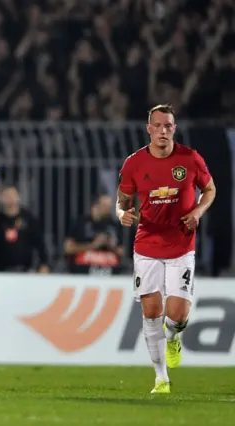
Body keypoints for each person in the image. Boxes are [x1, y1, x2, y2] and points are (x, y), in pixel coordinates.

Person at [116, 104, 216, 394]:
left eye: (168, 126)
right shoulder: (134, 163)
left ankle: (174, 337)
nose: (163, 130)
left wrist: (197, 212)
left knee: (177, 316)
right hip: (147, 245)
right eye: (157, 125)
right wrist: (121, 214)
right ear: (149, 129)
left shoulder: (190, 158)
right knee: (151, 312)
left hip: (181, 245)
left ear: (174, 128)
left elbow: (210, 190)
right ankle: (161, 379)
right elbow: (121, 201)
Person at [0, 185, 50, 273]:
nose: (10, 199)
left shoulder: (29, 219)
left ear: (18, 197)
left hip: (25, 271)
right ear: (1, 198)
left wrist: (44, 263)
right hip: (1, 271)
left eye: (12, 195)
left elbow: (40, 243)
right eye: (6, 196)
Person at [64, 194, 123, 275]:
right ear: (95, 206)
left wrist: (111, 246)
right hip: (83, 270)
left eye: (109, 206)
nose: (108, 209)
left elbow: (122, 251)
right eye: (105, 206)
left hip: (110, 270)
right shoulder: (80, 223)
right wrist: (93, 245)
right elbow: (68, 248)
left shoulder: (113, 226)